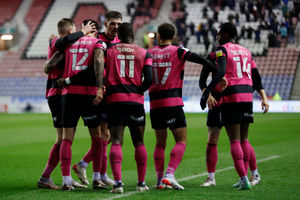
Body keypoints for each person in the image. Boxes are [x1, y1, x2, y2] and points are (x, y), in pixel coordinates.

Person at [200, 22, 269, 190]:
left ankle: (246, 177)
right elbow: (256, 78)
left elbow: (210, 76)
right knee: (229, 138)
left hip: (227, 97)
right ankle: (215, 178)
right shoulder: (246, 52)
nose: (217, 36)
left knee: (235, 139)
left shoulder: (219, 51)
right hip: (238, 97)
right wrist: (263, 97)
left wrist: (206, 92)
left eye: (219, 33)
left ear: (224, 34)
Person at [148, 23, 215, 190]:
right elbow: (201, 60)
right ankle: (169, 174)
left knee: (159, 144)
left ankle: (159, 180)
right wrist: (217, 71)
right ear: (173, 35)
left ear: (158, 35)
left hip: (155, 105)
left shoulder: (149, 53)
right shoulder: (179, 51)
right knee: (181, 141)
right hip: (172, 103)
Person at [45, 19, 106, 190]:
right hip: (88, 94)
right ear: (96, 31)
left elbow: (49, 66)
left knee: (66, 138)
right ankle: (96, 178)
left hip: (68, 95)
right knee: (97, 137)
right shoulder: (98, 43)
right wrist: (100, 89)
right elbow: (98, 64)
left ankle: (66, 180)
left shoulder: (70, 44)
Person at [72, 11, 122, 187]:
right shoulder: (97, 40)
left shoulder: (119, 41)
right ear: (106, 24)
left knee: (106, 135)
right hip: (98, 90)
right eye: (112, 23)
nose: (116, 27)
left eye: (118, 24)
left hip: (112, 91)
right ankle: (97, 175)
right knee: (102, 135)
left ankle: (88, 167)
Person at [106, 22, 153, 194]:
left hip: (114, 101)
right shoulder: (144, 52)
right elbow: (149, 78)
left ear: (118, 35)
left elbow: (101, 72)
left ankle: (118, 184)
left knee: (116, 141)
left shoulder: (109, 51)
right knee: (139, 142)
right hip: (135, 102)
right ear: (132, 36)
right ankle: (141, 183)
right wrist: (138, 90)